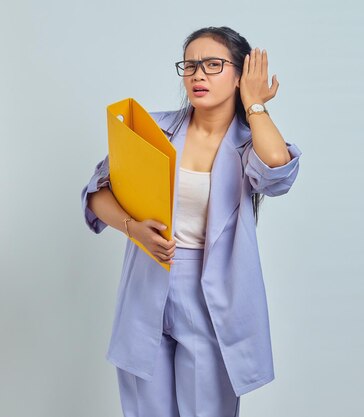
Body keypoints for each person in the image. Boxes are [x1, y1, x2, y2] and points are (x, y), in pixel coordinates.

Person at [80, 26, 302, 417]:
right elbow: (96, 193)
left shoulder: (249, 141)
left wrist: (255, 105)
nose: (198, 75)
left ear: (239, 75)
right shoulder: (151, 129)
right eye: (191, 65)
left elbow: (278, 173)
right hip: (145, 289)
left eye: (214, 65)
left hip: (212, 297)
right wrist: (133, 230)